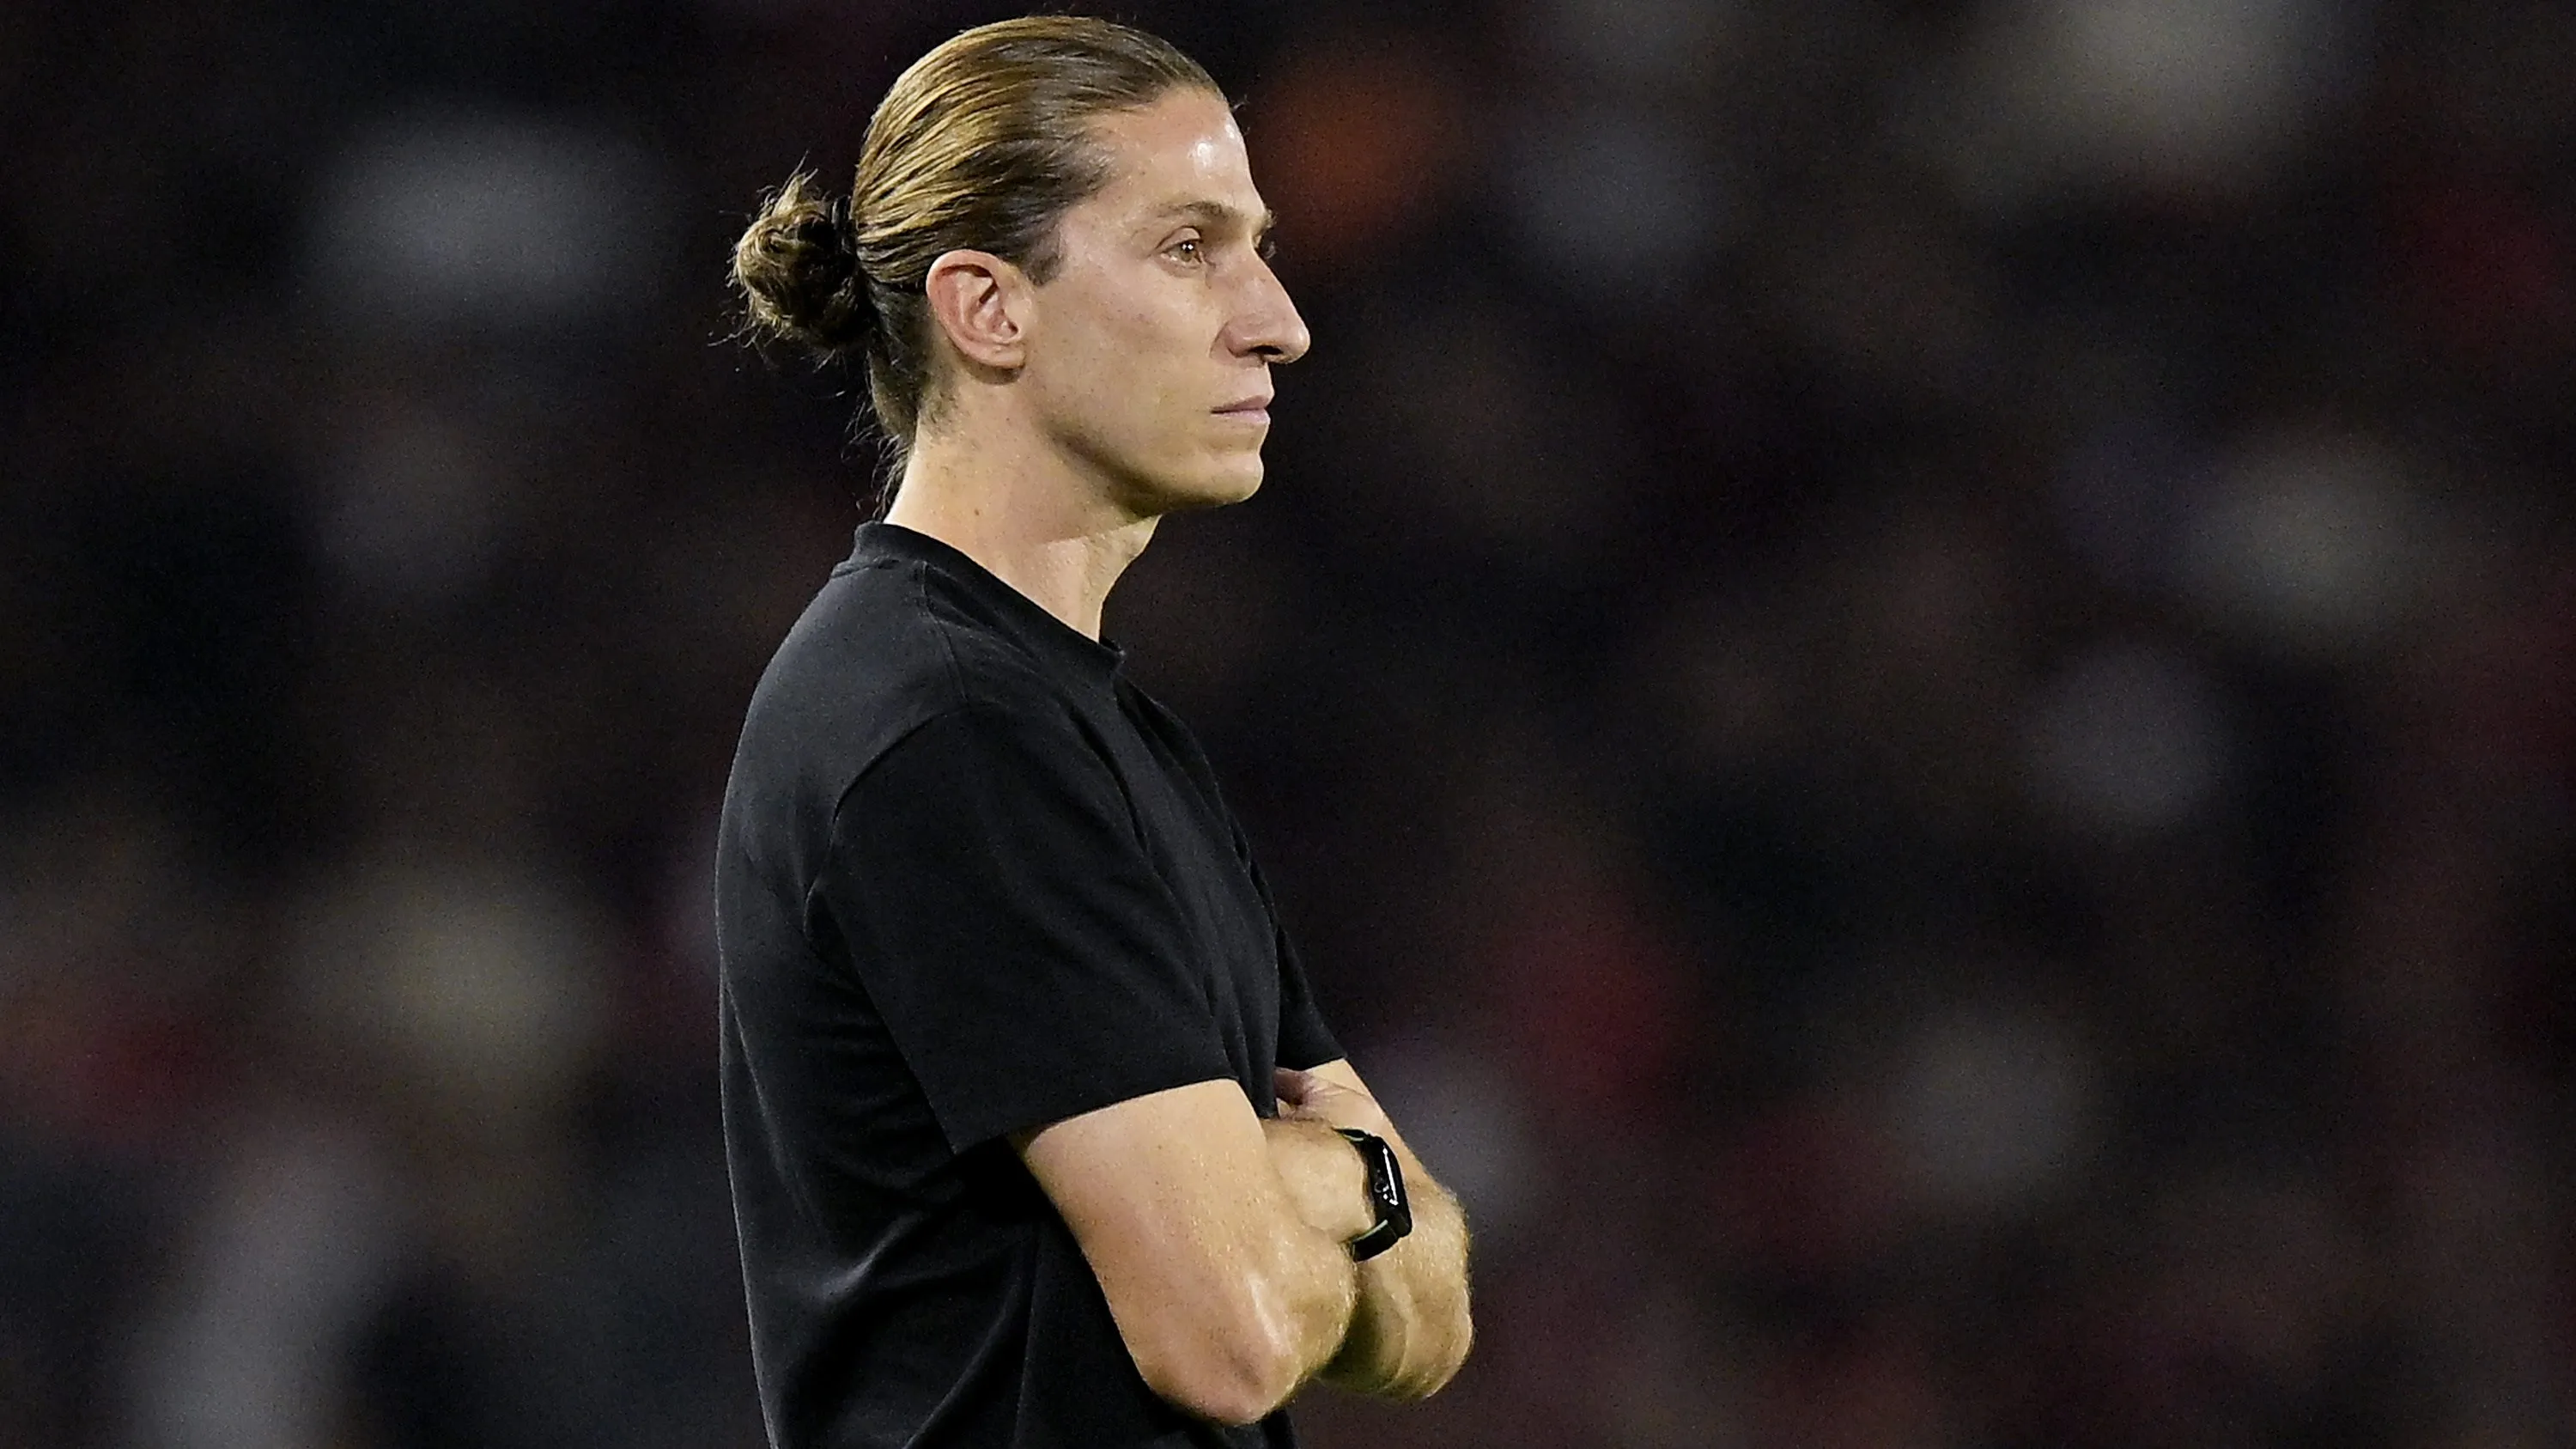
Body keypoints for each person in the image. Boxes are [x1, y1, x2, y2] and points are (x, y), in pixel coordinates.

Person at [712, 16, 1473, 1449]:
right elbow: (1231, 1335)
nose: (1278, 318)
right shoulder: (944, 730)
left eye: (1255, 245)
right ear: (989, 308)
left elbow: (1432, 1326)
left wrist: (1305, 1191)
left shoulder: (1100, 728)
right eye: (1190, 248)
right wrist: (1357, 1183)